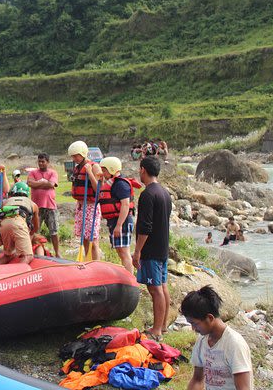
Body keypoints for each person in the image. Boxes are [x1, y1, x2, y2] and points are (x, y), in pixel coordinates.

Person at [181, 285, 253, 390]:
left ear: (210, 318)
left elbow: (243, 388)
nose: (193, 328)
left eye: (194, 323)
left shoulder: (234, 344)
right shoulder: (202, 341)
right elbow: (197, 380)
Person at [132, 156, 172, 341]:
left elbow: (145, 227)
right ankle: (162, 325)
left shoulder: (148, 194)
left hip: (151, 249)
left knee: (155, 289)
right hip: (163, 247)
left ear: (143, 170)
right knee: (162, 286)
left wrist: (138, 251)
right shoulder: (164, 193)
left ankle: (156, 330)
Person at [98, 157, 135, 273]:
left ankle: (130, 281)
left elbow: (125, 204)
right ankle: (127, 277)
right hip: (115, 221)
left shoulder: (120, 184)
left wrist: (119, 225)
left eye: (104, 170)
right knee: (121, 252)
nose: (103, 173)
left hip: (121, 222)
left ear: (112, 169)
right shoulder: (113, 183)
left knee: (124, 253)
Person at [68, 141, 103, 260]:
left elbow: (98, 189)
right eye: (72, 156)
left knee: (93, 240)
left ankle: (96, 265)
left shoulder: (94, 166)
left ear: (82, 153)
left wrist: (89, 172)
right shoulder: (77, 168)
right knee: (84, 239)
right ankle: (88, 263)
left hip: (91, 207)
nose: (74, 158)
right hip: (81, 206)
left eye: (75, 156)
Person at [28, 153, 61, 258]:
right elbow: (30, 183)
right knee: (34, 231)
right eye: (39, 161)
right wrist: (44, 183)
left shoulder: (53, 172)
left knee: (54, 231)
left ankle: (57, 253)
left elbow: (51, 184)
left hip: (50, 206)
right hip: (36, 207)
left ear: (48, 162)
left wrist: (37, 183)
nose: (41, 164)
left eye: (43, 161)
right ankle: (32, 251)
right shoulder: (33, 172)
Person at [0, 194, 41, 264]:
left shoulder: (6, 201)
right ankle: (19, 272)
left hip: (3, 224)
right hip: (18, 223)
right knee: (28, 256)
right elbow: (36, 226)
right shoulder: (33, 204)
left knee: (8, 255)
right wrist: (31, 235)